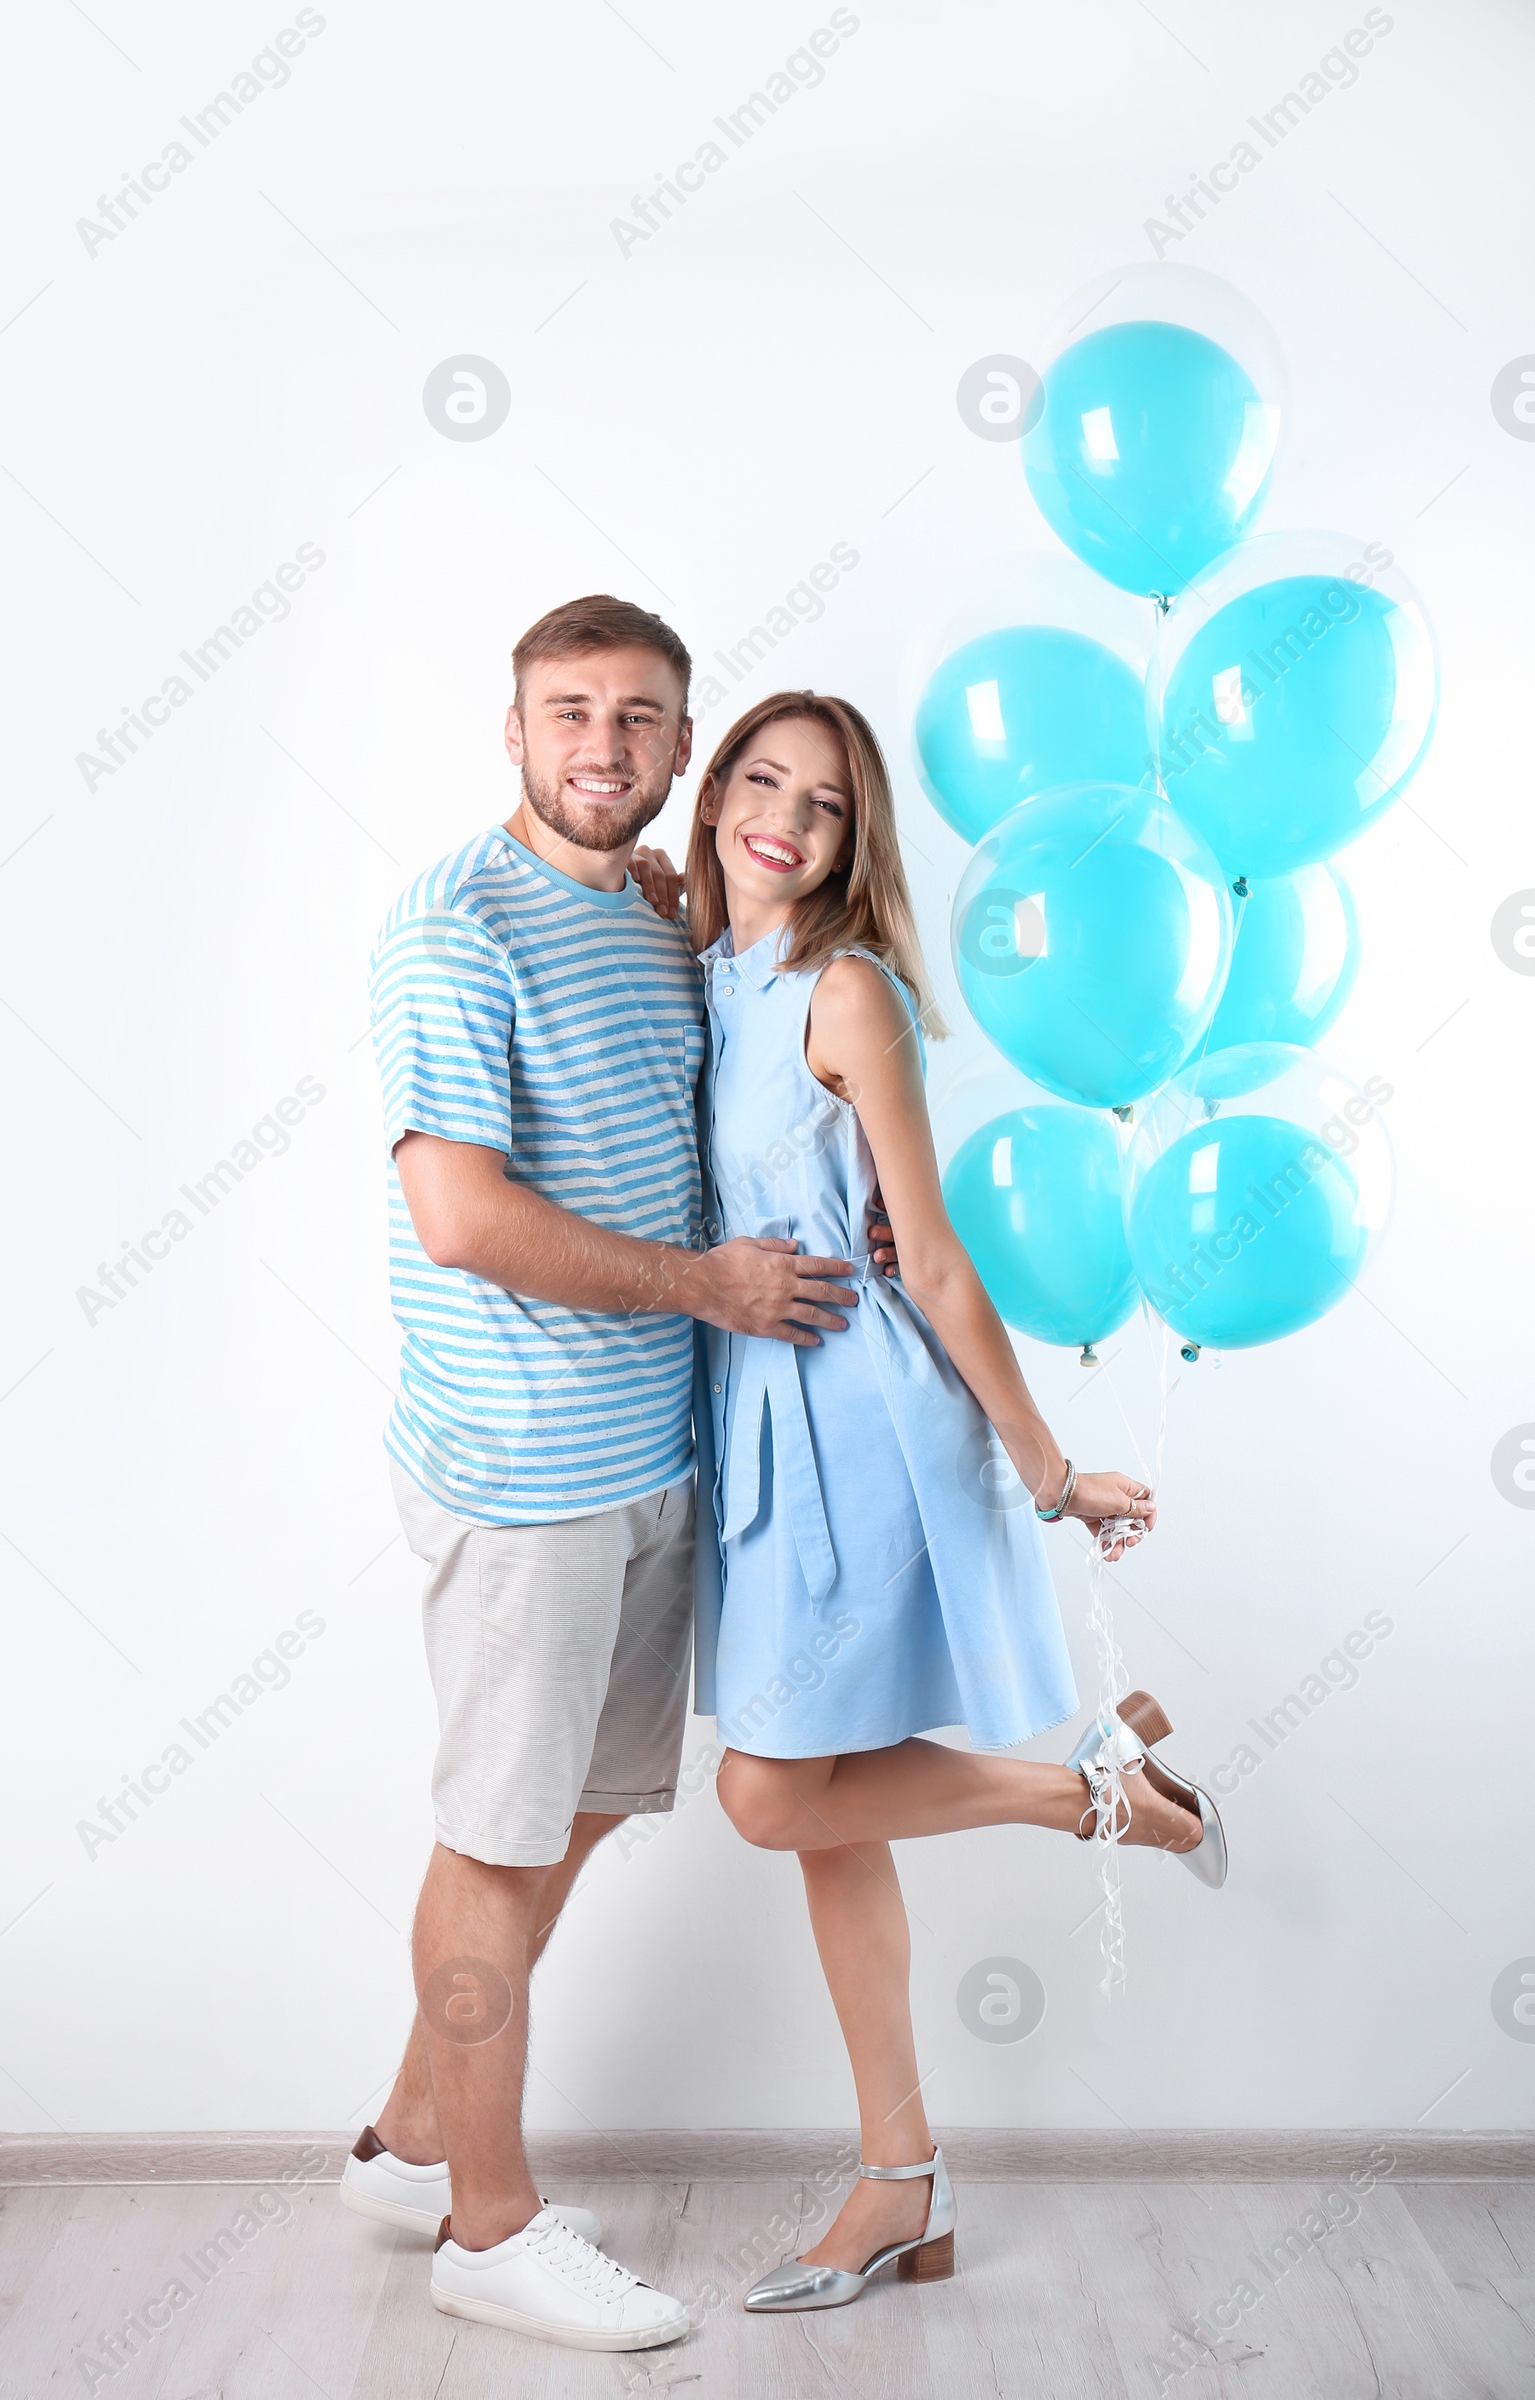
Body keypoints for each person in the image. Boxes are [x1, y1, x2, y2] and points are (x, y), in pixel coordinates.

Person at [346, 599, 891, 2354]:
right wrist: (710, 1285)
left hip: (656, 1458)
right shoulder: (457, 924)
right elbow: (461, 1214)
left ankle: (414, 2135)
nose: (606, 747)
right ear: (511, 733)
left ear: (684, 753)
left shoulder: (659, 917)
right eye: (569, 713)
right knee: (497, 1835)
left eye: (643, 718)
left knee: (574, 1812)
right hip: (524, 1475)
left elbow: (738, 1086)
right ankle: (487, 2232)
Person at [684, 689, 1227, 2316]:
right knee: (826, 1830)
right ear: (714, 796)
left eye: (827, 805)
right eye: (763, 780)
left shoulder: (848, 997)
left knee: (771, 1794)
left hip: (863, 1437)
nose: (787, 816)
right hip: (758, 1443)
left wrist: (1053, 1475)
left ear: (858, 847)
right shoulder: (701, 967)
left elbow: (928, 1258)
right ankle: (899, 2183)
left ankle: (1099, 1798)